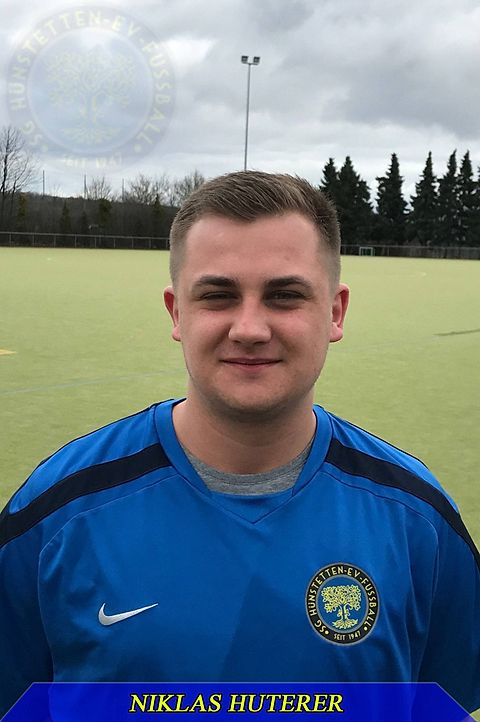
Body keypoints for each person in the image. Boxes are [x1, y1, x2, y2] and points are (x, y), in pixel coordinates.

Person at [0, 171, 479, 717]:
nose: (249, 328)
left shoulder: (417, 518)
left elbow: (442, 704)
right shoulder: (58, 510)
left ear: (335, 312)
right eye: (218, 296)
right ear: (177, 312)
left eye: (285, 296)